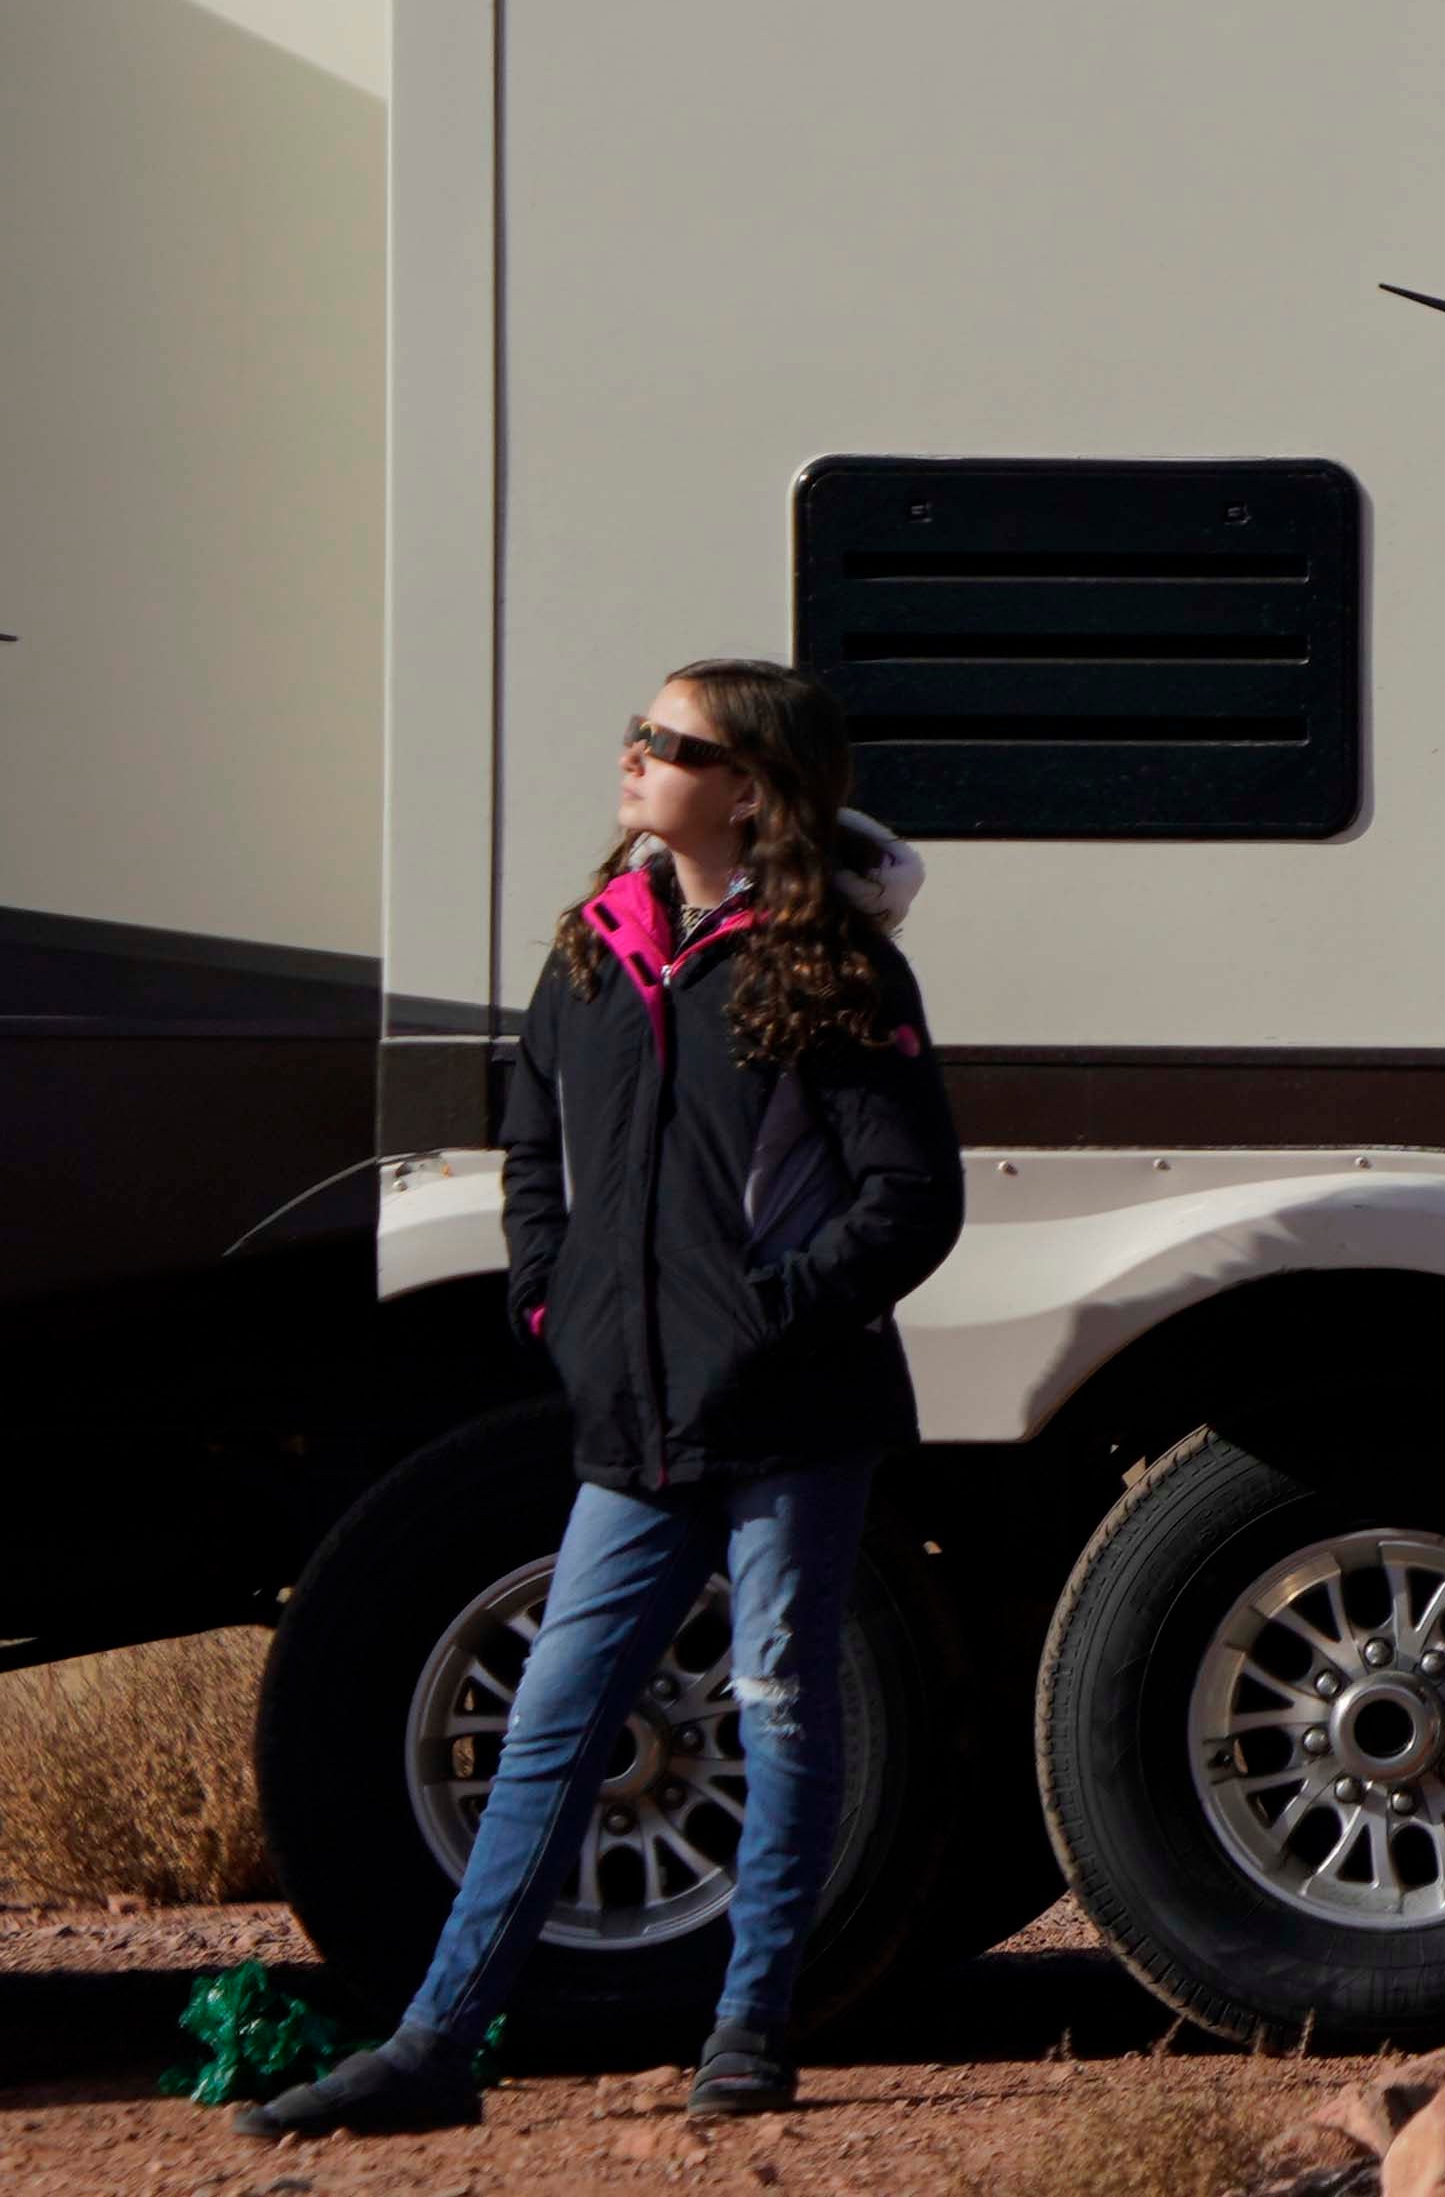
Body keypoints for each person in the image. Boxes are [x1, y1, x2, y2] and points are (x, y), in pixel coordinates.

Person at [247, 660, 964, 2139]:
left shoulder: (830, 965)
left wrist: (762, 1320)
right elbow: (533, 1151)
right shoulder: (595, 948)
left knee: (780, 1712)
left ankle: (751, 2032)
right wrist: (549, 1301)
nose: (633, 755)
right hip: (629, 1423)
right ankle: (436, 2047)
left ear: (748, 789)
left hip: (788, 1416)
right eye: (640, 732)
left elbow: (910, 1200)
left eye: (669, 741)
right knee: (552, 1723)